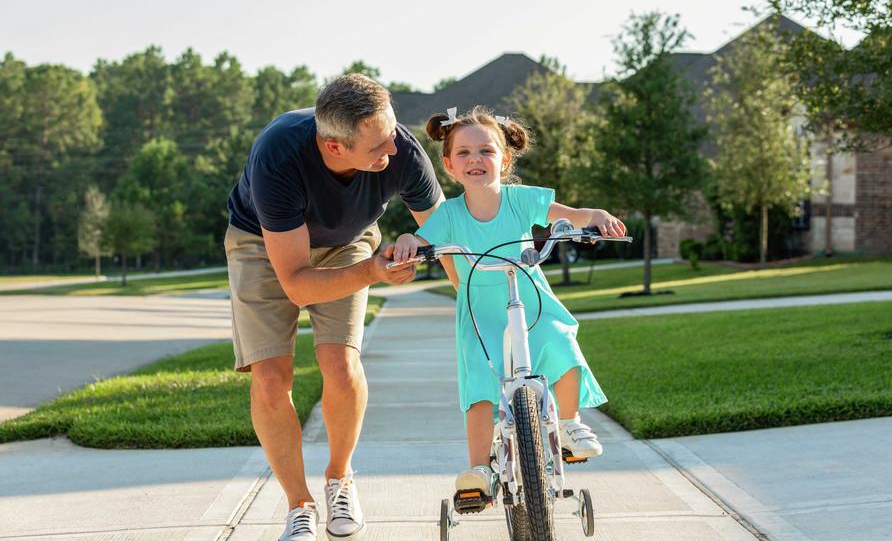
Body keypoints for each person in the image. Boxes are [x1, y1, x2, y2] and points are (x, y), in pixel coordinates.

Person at [225, 74, 457, 541]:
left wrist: (475, 308)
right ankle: (299, 505)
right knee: (271, 378)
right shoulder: (279, 156)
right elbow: (296, 284)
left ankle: (340, 479)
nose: (391, 151)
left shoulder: (402, 149)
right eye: (377, 147)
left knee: (341, 364)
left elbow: (450, 239)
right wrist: (373, 271)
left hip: (349, 241)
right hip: (264, 245)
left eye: (391, 135)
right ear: (334, 146)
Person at [393, 106, 626, 501]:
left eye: (486, 151)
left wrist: (596, 215)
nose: (475, 160)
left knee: (560, 341)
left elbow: (571, 215)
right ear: (449, 165)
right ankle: (480, 468)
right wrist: (408, 241)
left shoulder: (521, 199)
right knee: (480, 383)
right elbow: (421, 238)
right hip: (479, 308)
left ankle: (568, 424)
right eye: (464, 153)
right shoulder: (449, 214)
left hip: (527, 296)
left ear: (505, 159)